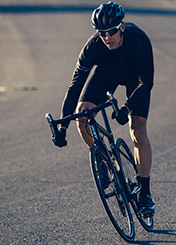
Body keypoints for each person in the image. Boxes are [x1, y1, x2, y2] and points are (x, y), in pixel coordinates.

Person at [52, 1, 155, 217]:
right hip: (107, 73)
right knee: (83, 115)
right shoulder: (92, 48)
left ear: (122, 27)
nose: (107, 37)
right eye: (102, 33)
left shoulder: (139, 40)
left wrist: (126, 108)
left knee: (138, 127)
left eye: (112, 31)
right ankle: (102, 158)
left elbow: (146, 82)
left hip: (135, 78)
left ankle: (144, 193)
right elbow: (75, 86)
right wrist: (63, 127)